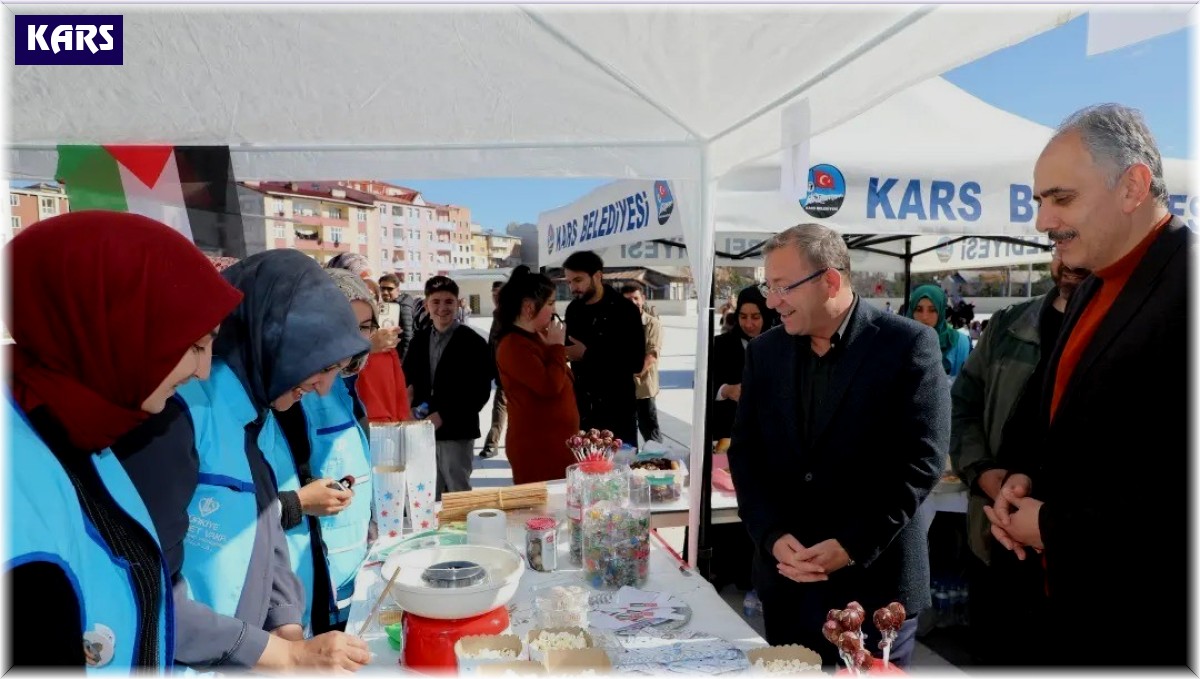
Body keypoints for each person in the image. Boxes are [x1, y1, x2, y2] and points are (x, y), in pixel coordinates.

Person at [987, 104, 1189, 665]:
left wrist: (1055, 528)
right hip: (1068, 618)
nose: (1042, 222)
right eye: (1039, 200)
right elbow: (1060, 422)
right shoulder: (1093, 288)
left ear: (1133, 187)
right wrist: (1024, 477)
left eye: (1061, 198)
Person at [5, 211, 242, 671]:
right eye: (194, 346)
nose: (203, 371)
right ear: (113, 325)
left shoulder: (82, 429)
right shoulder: (19, 484)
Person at [120, 249, 371, 671]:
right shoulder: (176, 415)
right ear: (278, 338)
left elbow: (266, 531)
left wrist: (287, 626)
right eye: (323, 365)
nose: (325, 387)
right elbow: (148, 586)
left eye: (339, 369)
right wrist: (280, 654)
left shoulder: (255, 415)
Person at [727, 223, 947, 669]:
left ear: (829, 280)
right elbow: (746, 455)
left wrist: (851, 544)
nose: (772, 302)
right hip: (787, 584)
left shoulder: (907, 344)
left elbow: (922, 461)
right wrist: (771, 535)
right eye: (769, 288)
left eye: (783, 287)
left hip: (875, 589)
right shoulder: (764, 353)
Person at [949, 248, 1088, 665]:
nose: (1069, 257)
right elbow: (963, 407)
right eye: (1059, 243)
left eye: (1076, 238)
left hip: (1078, 552)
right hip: (997, 541)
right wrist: (986, 474)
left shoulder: (1128, 327)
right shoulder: (1009, 325)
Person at [273, 268, 379, 634]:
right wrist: (300, 503)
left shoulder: (347, 384)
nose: (356, 339)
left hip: (350, 557)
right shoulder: (289, 391)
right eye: (346, 324)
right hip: (306, 567)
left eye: (365, 327)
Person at [403, 276, 493, 498]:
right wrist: (408, 406)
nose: (442, 308)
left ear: (458, 304)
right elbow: (407, 380)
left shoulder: (473, 342)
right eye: (436, 302)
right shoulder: (418, 341)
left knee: (457, 491)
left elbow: (479, 391)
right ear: (427, 305)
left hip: (457, 431)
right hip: (422, 430)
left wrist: (444, 416)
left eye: (448, 301)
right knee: (425, 492)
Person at [495, 267, 580, 484]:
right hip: (538, 450)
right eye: (550, 303)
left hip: (556, 445)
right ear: (529, 307)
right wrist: (557, 348)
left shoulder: (536, 337)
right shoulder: (513, 345)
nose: (554, 310)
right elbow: (549, 386)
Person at [562, 251, 645, 446]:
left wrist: (588, 354)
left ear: (598, 276)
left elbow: (635, 362)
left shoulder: (625, 310)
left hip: (618, 411)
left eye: (578, 280)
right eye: (569, 282)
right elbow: (569, 349)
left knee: (619, 464)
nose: (573, 288)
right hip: (583, 412)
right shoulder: (574, 310)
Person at [709, 285, 775, 441]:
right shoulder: (719, 345)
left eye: (755, 317)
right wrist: (726, 390)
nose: (748, 324)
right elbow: (704, 385)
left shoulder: (781, 346)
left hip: (771, 435)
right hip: (728, 435)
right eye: (743, 317)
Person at [621, 282, 663, 444]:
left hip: (644, 388)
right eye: (627, 300)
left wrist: (635, 373)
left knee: (651, 434)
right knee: (624, 436)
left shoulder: (652, 324)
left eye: (636, 298)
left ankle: (657, 458)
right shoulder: (617, 324)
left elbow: (652, 354)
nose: (633, 302)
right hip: (622, 390)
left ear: (643, 299)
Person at [906, 284, 972, 379]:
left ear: (941, 311)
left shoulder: (960, 343)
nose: (924, 317)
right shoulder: (899, 343)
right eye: (919, 310)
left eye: (932, 310)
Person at [480, 280, 507, 460]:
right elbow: (492, 343)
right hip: (498, 370)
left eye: (499, 294)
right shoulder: (498, 314)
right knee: (500, 406)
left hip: (510, 370)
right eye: (494, 294)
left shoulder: (510, 314)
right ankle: (492, 443)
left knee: (501, 406)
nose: (496, 298)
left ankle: (492, 444)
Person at [378, 273, 416, 358]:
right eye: (382, 288)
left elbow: (407, 337)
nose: (385, 292)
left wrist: (402, 361)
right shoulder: (389, 305)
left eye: (389, 289)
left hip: (400, 356)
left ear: (398, 290)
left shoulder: (403, 306)